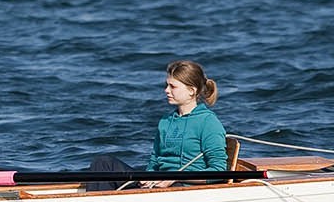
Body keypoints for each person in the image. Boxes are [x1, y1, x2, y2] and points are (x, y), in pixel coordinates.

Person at [85, 60, 228, 190]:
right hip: (160, 184)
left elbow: (219, 171)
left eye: (173, 86)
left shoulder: (208, 123)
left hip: (185, 187)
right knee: (103, 163)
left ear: (192, 90)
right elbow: (154, 162)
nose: (166, 90)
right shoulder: (165, 121)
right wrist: (149, 178)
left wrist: (173, 179)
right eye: (167, 85)